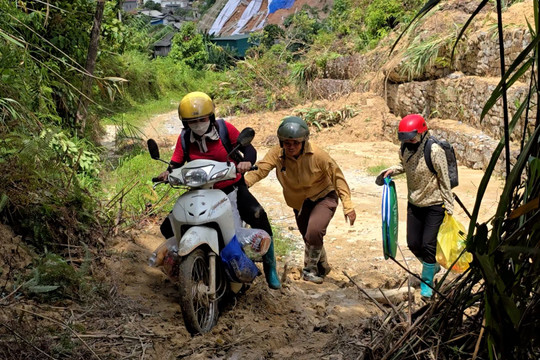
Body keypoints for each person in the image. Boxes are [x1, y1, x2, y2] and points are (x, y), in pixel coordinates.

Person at [156, 91, 281, 290]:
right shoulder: (184, 138)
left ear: (211, 117)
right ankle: (188, 263)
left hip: (230, 187)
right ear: (185, 123)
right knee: (168, 226)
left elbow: (249, 149)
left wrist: (246, 162)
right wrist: (166, 172)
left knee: (258, 215)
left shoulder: (224, 129)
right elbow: (175, 163)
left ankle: (270, 267)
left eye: (201, 119)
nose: (197, 124)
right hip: (199, 191)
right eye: (192, 121)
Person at [244, 116, 356, 284]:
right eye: (287, 143)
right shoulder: (277, 153)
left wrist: (348, 206)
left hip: (324, 196)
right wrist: (243, 185)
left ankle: (310, 270)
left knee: (314, 231)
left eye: (296, 143)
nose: (291, 147)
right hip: (299, 203)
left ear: (304, 141)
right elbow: (261, 169)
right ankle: (323, 265)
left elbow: (337, 177)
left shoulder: (318, 155)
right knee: (308, 236)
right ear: (281, 142)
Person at [375, 114, 454, 298]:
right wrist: (392, 170)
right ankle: (432, 267)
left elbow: (444, 179)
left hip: (434, 205)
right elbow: (405, 165)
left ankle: (427, 283)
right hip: (414, 203)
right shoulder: (405, 148)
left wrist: (449, 207)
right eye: (405, 138)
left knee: (428, 244)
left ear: (422, 132)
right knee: (413, 243)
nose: (409, 141)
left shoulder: (434, 150)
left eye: (412, 137)